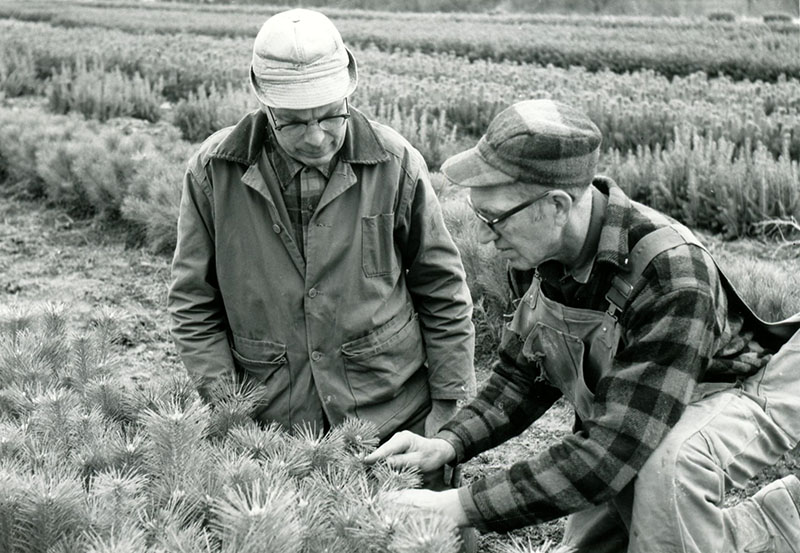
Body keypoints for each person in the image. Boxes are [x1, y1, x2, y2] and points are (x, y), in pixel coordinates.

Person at [367, 99, 800, 553]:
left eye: (493, 219)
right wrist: (449, 443)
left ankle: (783, 520)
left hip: (735, 393)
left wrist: (460, 506)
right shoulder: (538, 251)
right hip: (630, 408)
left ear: (556, 204)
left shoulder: (671, 275)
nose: (482, 238)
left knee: (665, 477)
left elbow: (611, 452)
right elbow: (521, 376)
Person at [167, 9, 476, 448]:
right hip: (274, 428)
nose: (316, 137)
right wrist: (229, 412)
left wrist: (448, 409)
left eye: (331, 116)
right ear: (265, 105)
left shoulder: (394, 162)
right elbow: (193, 302)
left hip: (392, 417)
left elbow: (442, 288)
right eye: (293, 121)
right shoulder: (214, 172)